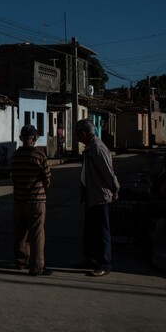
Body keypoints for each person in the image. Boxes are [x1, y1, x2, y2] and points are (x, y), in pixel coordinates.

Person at [75, 118, 120, 277]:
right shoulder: (90, 147)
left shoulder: (98, 148)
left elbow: (109, 172)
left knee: (101, 232)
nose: (76, 138)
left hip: (100, 196)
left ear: (85, 133)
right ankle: (91, 258)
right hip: (91, 196)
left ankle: (104, 264)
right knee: (90, 231)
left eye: (78, 134)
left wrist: (115, 189)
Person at [9, 125, 53, 276]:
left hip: (19, 200)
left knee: (20, 233)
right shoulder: (40, 156)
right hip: (36, 201)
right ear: (34, 138)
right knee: (37, 234)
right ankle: (36, 267)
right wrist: (43, 191)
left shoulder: (14, 156)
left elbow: (13, 178)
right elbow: (47, 178)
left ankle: (21, 262)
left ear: (21, 138)